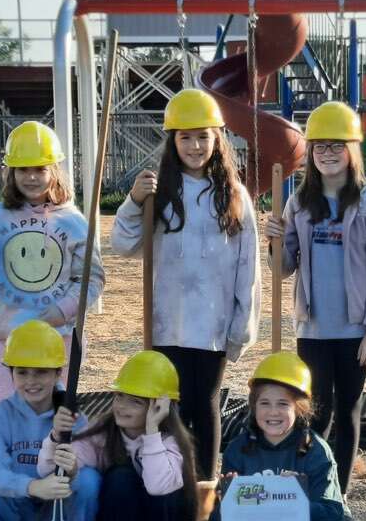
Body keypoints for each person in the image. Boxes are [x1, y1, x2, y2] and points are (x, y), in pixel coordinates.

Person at [111, 88, 260, 479]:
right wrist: (132, 201)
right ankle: (170, 488)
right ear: (172, 141)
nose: (195, 146)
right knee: (168, 410)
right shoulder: (161, 192)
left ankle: (206, 490)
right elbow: (124, 244)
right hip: (168, 324)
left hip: (213, 326)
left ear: (217, 140)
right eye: (185, 137)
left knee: (204, 407)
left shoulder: (235, 196)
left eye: (203, 136)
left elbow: (249, 265)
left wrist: (242, 325)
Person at [264, 100, 366, 494]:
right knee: (315, 411)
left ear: (352, 149)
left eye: (336, 145)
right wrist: (273, 241)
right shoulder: (300, 203)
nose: (327, 154)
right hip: (314, 327)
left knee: (349, 409)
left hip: (355, 329)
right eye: (319, 146)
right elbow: (283, 266)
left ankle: (341, 491)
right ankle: (314, 484)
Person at [173, 352, 361, 521]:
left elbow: (332, 512)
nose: (273, 412)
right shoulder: (237, 449)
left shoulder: (316, 450)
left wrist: (294, 500)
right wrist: (228, 502)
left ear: (300, 408)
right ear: (253, 406)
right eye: (265, 403)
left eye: (283, 404)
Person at [0, 121, 104, 404]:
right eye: (23, 169)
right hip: (8, 340)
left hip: (58, 340)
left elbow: (91, 280)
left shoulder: (73, 222)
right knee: (11, 420)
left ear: (54, 171)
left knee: (52, 424)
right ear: (10, 172)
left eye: (40, 169)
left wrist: (59, 311)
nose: (31, 177)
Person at [40, 350, 199, 521]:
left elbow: (158, 488)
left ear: (159, 407)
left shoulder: (169, 441)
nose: (122, 407)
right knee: (120, 476)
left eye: (135, 401)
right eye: (120, 397)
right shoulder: (104, 435)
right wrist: (58, 446)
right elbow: (46, 471)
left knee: (162, 478)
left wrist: (152, 432)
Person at [0, 320, 101, 521]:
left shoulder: (72, 416)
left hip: (61, 513)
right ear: (11, 373)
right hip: (20, 513)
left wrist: (75, 467)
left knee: (89, 479)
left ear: (57, 373)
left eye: (41, 372)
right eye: (22, 372)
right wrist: (32, 487)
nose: (31, 381)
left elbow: (93, 459)